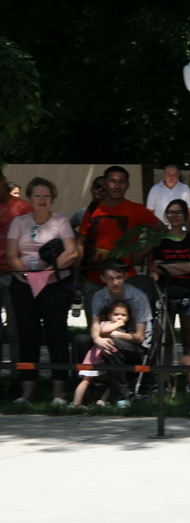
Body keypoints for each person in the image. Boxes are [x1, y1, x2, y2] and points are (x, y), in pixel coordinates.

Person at [7, 177, 77, 404]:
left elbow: (71, 252)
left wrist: (48, 273)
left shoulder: (61, 222)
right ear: (30, 198)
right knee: (28, 336)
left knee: (56, 335)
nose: (42, 200)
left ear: (53, 198)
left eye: (46, 195)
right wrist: (28, 275)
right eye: (37, 195)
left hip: (55, 284)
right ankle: (27, 392)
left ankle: (59, 393)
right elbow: (11, 255)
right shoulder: (19, 222)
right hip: (24, 285)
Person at [77, 165, 164, 323]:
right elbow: (81, 241)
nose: (117, 186)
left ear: (127, 185)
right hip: (94, 279)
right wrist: (78, 275)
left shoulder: (136, 209)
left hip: (124, 281)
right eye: (112, 181)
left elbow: (162, 230)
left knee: (124, 329)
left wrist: (142, 251)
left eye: (121, 182)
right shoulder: (92, 209)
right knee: (95, 331)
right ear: (105, 183)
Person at [71, 260, 153, 407]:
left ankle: (120, 396)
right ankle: (83, 394)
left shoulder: (139, 297)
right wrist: (97, 339)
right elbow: (95, 326)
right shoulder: (99, 296)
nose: (115, 282)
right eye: (110, 278)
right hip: (106, 338)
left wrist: (114, 335)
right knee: (80, 340)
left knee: (112, 343)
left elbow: (140, 337)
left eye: (119, 277)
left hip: (135, 345)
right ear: (102, 279)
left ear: (126, 276)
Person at [149, 199, 190, 360]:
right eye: (170, 212)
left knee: (189, 340)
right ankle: (165, 381)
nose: (174, 216)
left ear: (186, 215)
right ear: (166, 216)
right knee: (167, 339)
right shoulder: (161, 240)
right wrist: (185, 265)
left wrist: (169, 267)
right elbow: (157, 267)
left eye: (178, 212)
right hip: (166, 292)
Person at [72, 300, 141, 407]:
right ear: (109, 315)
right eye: (116, 314)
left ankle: (102, 401)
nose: (119, 317)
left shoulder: (124, 330)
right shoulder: (107, 323)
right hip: (96, 357)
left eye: (123, 315)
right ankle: (76, 403)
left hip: (108, 359)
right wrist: (118, 324)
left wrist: (127, 334)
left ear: (128, 317)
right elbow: (103, 331)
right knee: (86, 379)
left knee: (114, 382)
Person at [0, 168, 32, 371]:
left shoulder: (22, 208)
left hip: (14, 275)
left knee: (16, 329)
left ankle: (18, 377)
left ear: (3, 180)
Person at [146, 165, 190, 236]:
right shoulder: (155, 189)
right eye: (169, 174)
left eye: (174, 174)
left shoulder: (185, 189)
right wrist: (150, 231)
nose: (171, 176)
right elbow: (150, 212)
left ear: (178, 175)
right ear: (164, 174)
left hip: (179, 229)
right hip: (159, 229)